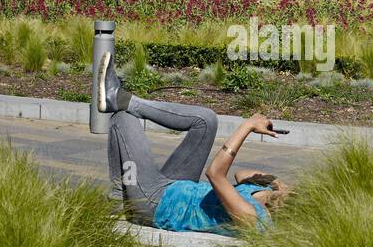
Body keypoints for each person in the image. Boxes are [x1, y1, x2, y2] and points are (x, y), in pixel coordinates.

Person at [97, 52, 288, 233]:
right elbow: (241, 175)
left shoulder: (255, 218)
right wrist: (277, 183)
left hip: (155, 203)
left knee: (123, 118)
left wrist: (247, 126)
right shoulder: (267, 194)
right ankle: (123, 100)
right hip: (176, 187)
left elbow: (215, 174)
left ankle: (120, 197)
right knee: (206, 120)